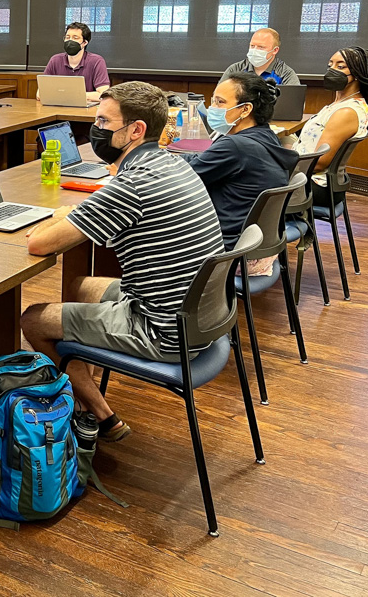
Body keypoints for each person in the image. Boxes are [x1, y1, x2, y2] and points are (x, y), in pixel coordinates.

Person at [20, 82, 224, 442]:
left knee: (33, 319)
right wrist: (75, 213)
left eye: (102, 121)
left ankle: (101, 416)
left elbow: (39, 243)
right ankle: (85, 389)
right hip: (202, 318)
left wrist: (61, 216)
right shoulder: (172, 163)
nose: (95, 129)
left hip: (162, 331)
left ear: (136, 130)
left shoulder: (132, 185)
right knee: (80, 286)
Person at [190, 73, 299, 250]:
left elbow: (183, 178)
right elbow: (201, 161)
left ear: (245, 109)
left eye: (220, 102)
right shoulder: (266, 135)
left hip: (226, 248)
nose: (212, 108)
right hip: (254, 241)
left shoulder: (235, 146)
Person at [293, 46, 368, 207]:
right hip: (308, 177)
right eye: (330, 65)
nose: (332, 70)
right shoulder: (338, 105)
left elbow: (319, 162)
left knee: (248, 180)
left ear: (357, 74)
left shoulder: (346, 112)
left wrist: (281, 167)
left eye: (340, 67)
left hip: (314, 184)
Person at [41, 22, 111, 102]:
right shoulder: (55, 60)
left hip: (86, 111)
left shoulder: (97, 61)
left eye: (75, 38)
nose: (70, 41)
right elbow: (40, 94)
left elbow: (103, 95)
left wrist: (68, 95)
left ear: (84, 43)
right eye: (67, 37)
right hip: (59, 107)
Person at [222, 28, 300, 86]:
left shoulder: (286, 74)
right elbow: (218, 100)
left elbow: (294, 103)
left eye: (261, 47)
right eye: (252, 46)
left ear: (275, 50)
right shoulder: (235, 69)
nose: (255, 50)